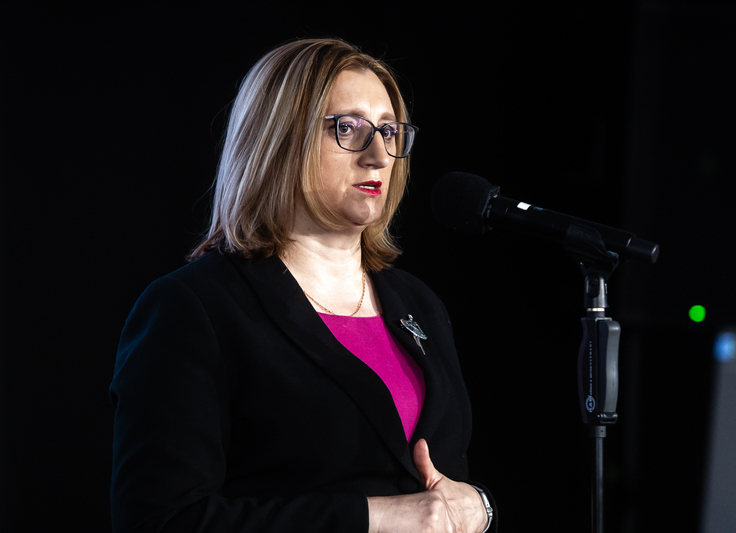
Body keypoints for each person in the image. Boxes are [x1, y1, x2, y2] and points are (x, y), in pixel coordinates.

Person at [110, 37, 496, 533]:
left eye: (389, 130)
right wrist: (372, 516)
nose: (378, 155)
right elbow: (161, 520)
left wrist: (482, 508)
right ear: (279, 139)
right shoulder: (194, 308)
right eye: (348, 128)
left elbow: (444, 494)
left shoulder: (417, 303)